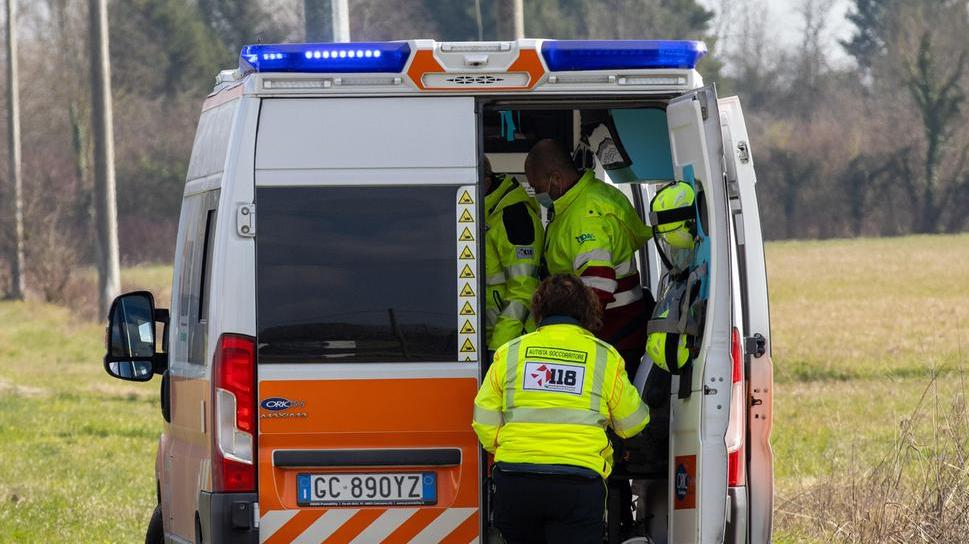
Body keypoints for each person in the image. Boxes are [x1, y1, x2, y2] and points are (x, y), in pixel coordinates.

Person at [472, 275, 649, 544]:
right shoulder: (604, 356)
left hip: (516, 481)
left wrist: (508, 446)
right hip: (578, 484)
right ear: (588, 311)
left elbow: (483, 419)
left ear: (538, 310)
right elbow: (632, 422)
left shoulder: (510, 352)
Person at [524, 139, 654, 374]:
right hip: (616, 331)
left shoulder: (585, 216)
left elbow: (598, 285)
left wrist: (570, 341)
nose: (536, 193)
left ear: (556, 178)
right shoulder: (583, 198)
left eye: (537, 186)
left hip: (612, 334)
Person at [483, 158, 544, 357]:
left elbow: (524, 288)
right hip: (492, 339)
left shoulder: (514, 217)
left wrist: (499, 346)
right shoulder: (487, 212)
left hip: (512, 343)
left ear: (485, 182)